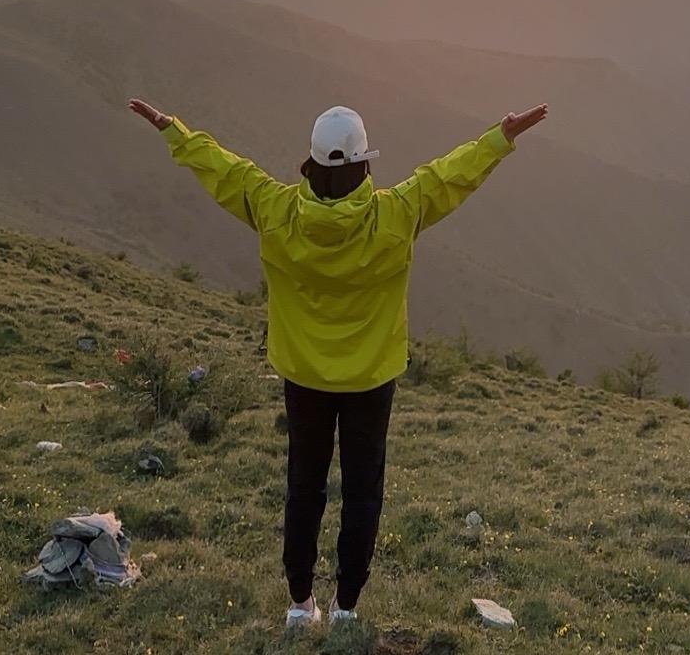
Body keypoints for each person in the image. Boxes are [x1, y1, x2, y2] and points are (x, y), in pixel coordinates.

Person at [127, 98, 548, 629]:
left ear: (310, 164)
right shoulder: (396, 214)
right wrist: (499, 138)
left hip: (302, 376)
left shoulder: (275, 210)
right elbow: (447, 177)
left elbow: (226, 172)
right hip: (371, 380)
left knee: (304, 486)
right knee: (362, 490)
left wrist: (175, 132)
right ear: (363, 164)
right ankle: (347, 606)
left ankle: (300, 605)